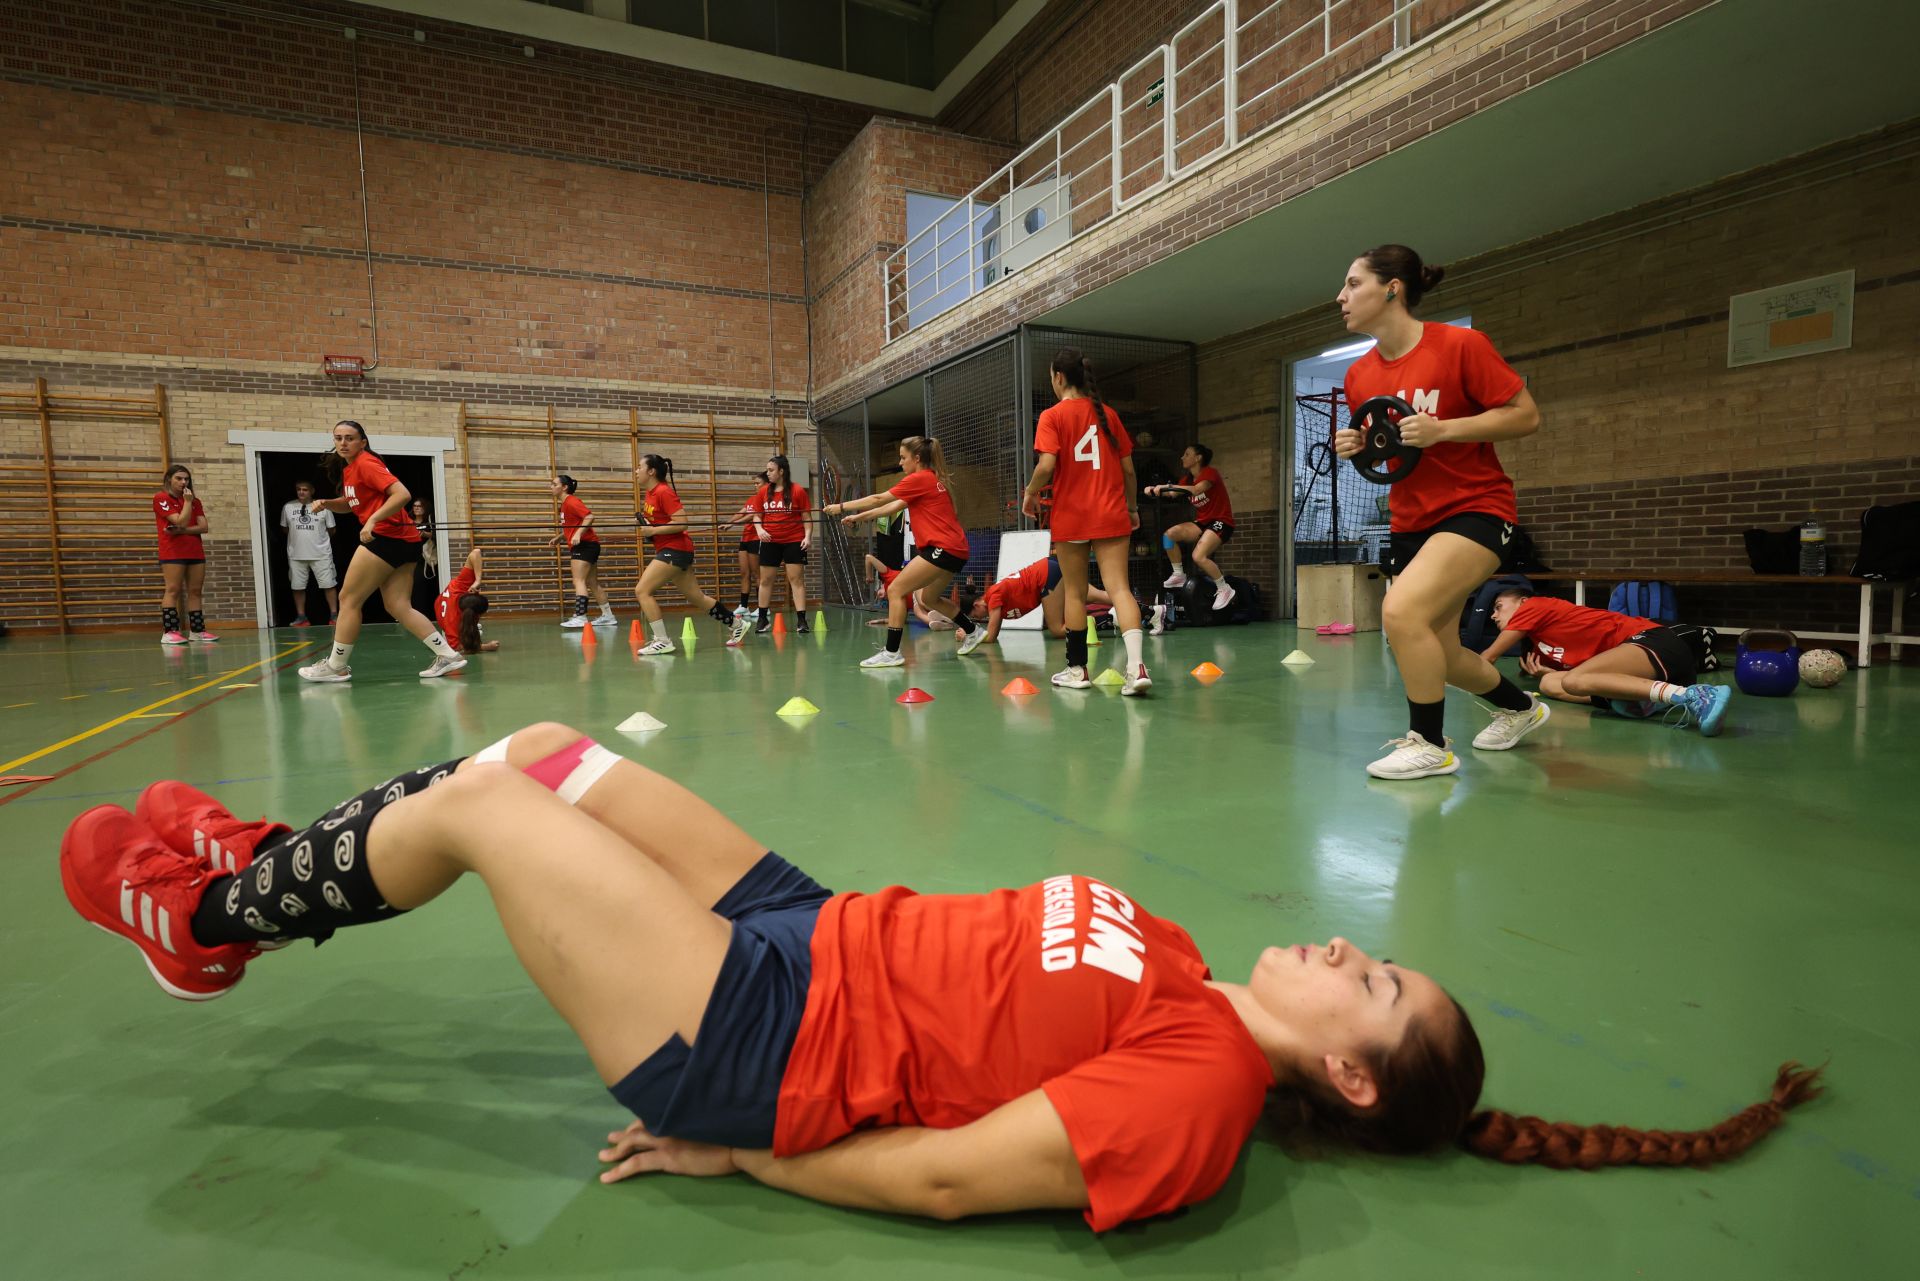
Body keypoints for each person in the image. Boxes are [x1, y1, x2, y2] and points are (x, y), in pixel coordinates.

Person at [60, 722, 1824, 1229]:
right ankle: (260, 870)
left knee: (484, 815)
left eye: (1376, 985)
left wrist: (739, 1150)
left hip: (764, 1040)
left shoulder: (1201, 1096)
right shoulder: (1192, 972)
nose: (1352, 947)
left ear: (1350, 1079)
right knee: (546, 752)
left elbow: (956, 1175)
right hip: (810, 929)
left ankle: (202, 930)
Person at [1332, 245, 1545, 780]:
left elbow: (1525, 416)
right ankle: (1522, 709)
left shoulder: (1461, 345)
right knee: (1443, 655)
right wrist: (1360, 444)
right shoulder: (1359, 375)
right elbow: (1393, 447)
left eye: (1353, 283)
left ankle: (1429, 743)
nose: (1341, 297)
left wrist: (1445, 428)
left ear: (1392, 288)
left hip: (1477, 510)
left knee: (1401, 614)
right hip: (1411, 520)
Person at [297, 420, 468, 683]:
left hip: (387, 538)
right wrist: (329, 503)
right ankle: (448, 655)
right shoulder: (351, 469)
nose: (343, 443)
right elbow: (352, 504)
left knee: (349, 599)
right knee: (398, 605)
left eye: (350, 438)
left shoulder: (366, 463)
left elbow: (402, 494)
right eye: (338, 438)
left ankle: (336, 666)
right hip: (405, 540)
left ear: (362, 442)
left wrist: (373, 521)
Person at [1024, 349, 1150, 695]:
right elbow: (1127, 470)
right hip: (1112, 512)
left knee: (1076, 594)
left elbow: (1047, 466)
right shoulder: (1108, 414)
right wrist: (1132, 507)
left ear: (1059, 378)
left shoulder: (1052, 416)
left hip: (1072, 517)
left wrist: (1031, 492)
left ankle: (1078, 671)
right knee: (1119, 589)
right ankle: (1136, 668)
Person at [826, 437, 983, 668]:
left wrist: (841, 507)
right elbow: (892, 507)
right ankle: (972, 630)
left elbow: (880, 498)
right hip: (956, 548)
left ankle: (891, 652)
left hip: (943, 548)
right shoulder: (930, 480)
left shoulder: (919, 478)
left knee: (897, 589)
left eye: (903, 457)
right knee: (929, 598)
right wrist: (857, 517)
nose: (900, 463)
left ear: (917, 458)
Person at [1482, 588, 1729, 734]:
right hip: (1649, 670)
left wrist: (1456, 672)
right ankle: (1646, 698)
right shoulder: (1541, 644)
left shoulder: (1536, 605)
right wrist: (1543, 673)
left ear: (1523, 602)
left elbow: (1489, 658)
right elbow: (1590, 674)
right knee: (1549, 683)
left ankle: (1693, 696)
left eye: (1499, 607)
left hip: (1657, 643)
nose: (1494, 615)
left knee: (1574, 680)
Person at [632, 454, 739, 656]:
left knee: (642, 591)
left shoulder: (664, 492)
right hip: (671, 549)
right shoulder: (650, 493)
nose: (636, 471)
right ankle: (736, 624)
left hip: (675, 549)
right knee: (696, 597)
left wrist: (653, 531)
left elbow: (682, 523)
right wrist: (650, 529)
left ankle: (663, 641)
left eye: (639, 467)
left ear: (651, 471)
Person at [1149, 444, 1237, 612]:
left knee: (1198, 556)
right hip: (1203, 522)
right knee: (1169, 536)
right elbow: (1173, 493)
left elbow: (1197, 490)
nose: (1182, 457)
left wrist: (1168, 487)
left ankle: (1224, 588)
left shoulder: (1210, 473)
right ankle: (1178, 574)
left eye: (1187, 454)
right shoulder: (1186, 480)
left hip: (1221, 522)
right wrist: (1154, 490)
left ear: (1198, 458)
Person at [959, 556, 1113, 644]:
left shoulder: (993, 598)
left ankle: (1096, 621)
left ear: (977, 604)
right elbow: (994, 633)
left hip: (1045, 577)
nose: (978, 618)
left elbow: (990, 637)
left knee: (1057, 629)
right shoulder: (994, 601)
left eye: (974, 615)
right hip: (1049, 568)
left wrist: (968, 635)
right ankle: (1132, 606)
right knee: (1099, 596)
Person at [746, 455, 812, 637]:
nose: (768, 473)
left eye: (771, 470)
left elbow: (806, 518)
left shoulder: (797, 491)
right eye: (767, 470)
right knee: (765, 581)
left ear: (781, 471)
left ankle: (801, 620)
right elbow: (757, 516)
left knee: (796, 581)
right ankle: (762, 618)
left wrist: (807, 537)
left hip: (793, 540)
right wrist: (759, 530)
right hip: (770, 542)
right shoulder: (763, 492)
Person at [153, 464, 215, 644]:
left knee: (195, 591)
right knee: (173, 589)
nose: (183, 482)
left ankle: (197, 631)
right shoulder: (161, 498)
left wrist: (180, 530)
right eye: (179, 478)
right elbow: (179, 520)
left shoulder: (196, 501)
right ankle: (170, 631)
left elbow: (203, 527)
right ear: (169, 480)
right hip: (172, 552)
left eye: (186, 479)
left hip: (195, 551)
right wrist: (187, 503)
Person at [551, 475, 615, 631]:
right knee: (592, 583)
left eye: (554, 484)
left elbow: (589, 516)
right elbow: (573, 525)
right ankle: (608, 616)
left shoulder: (572, 501)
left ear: (564, 487)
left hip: (585, 546)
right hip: (589, 545)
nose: (550, 487)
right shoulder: (564, 505)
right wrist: (560, 537)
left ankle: (580, 617)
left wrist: (578, 534)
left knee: (578, 581)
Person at [280, 479, 338, 627]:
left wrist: (317, 540)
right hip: (296, 555)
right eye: (298, 489)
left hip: (321, 554)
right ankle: (301, 617)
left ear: (312, 491)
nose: (301, 492)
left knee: (328, 584)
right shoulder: (288, 507)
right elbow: (285, 529)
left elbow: (331, 530)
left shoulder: (324, 507)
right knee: (297, 586)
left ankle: (334, 616)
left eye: (304, 489)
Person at [864, 553, 957, 629]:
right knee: (918, 613)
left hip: (916, 587)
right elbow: (898, 619)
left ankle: (948, 615)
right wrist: (879, 621)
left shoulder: (887, 575)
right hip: (914, 601)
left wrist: (869, 576)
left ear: (881, 586)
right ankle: (942, 624)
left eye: (878, 592)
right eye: (881, 597)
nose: (881, 596)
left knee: (923, 602)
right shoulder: (895, 600)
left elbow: (869, 558)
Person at [435, 545, 499, 655]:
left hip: (449, 602)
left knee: (468, 631)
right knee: (461, 635)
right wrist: (486, 647)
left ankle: (471, 628)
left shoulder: (461, 585)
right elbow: (456, 648)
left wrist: (478, 580)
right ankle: (471, 629)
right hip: (443, 613)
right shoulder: (453, 623)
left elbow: (476, 552)